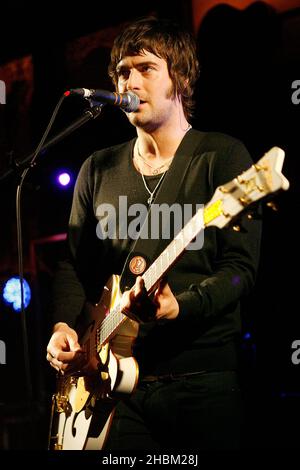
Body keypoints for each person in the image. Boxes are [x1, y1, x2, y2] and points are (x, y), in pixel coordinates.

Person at [46, 16, 261, 450]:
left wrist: (177, 307)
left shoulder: (222, 156)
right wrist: (62, 326)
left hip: (200, 383)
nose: (130, 80)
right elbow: (72, 263)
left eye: (146, 68)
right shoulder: (97, 168)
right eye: (123, 71)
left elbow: (241, 269)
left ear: (178, 79)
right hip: (112, 389)